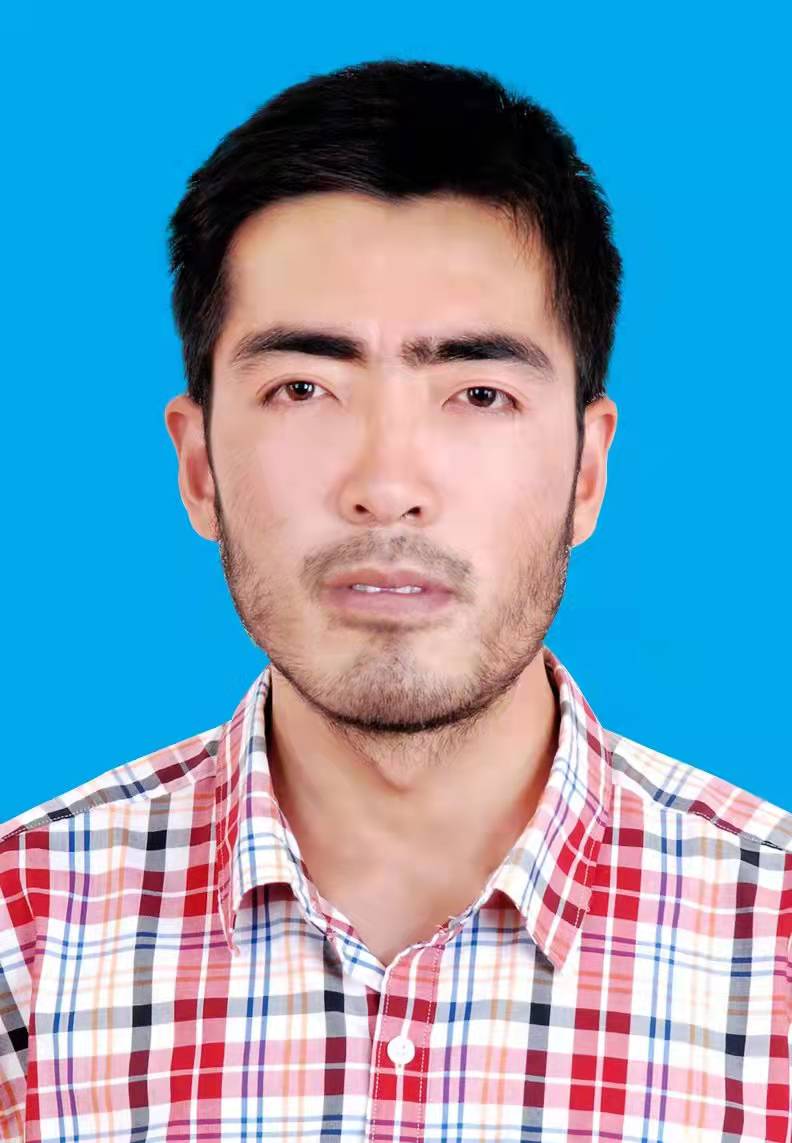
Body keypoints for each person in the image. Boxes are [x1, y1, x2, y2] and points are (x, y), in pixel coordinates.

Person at [1, 59, 789, 1143]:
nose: (387, 485)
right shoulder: (25, 932)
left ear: (588, 471)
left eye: (479, 392)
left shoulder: (774, 941)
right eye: (304, 388)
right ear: (199, 467)